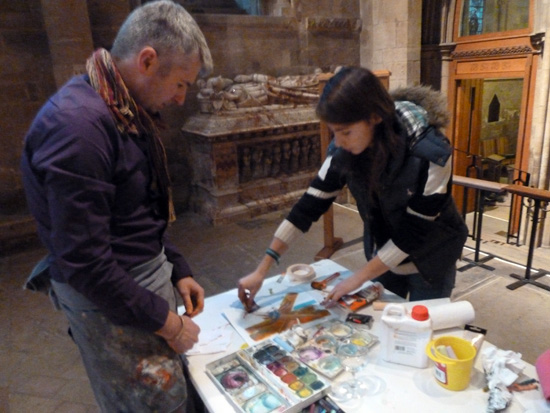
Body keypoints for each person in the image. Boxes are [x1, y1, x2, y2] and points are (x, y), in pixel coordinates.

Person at [20, 1, 213, 412]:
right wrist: (170, 324)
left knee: (175, 397)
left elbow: (137, 210)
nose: (180, 99)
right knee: (148, 406)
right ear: (147, 60)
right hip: (112, 306)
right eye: (180, 84)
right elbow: (85, 263)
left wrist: (177, 265)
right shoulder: (78, 128)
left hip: (138, 289)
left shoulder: (122, 107)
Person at [238, 67, 468, 310]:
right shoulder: (344, 151)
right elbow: (308, 206)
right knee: (381, 322)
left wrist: (357, 278)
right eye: (334, 131)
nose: (338, 141)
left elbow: (415, 232)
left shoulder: (430, 152)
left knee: (424, 330)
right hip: (383, 256)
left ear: (375, 117)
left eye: (345, 131)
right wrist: (262, 269)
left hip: (432, 259)